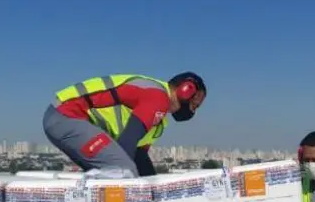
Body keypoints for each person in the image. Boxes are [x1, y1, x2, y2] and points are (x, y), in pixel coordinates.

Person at [42, 72, 207, 176]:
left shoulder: (159, 122)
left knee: (124, 171)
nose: (196, 107)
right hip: (67, 113)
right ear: (186, 89)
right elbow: (127, 143)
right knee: (122, 170)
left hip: (68, 119)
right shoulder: (157, 97)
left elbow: (139, 157)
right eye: (197, 99)